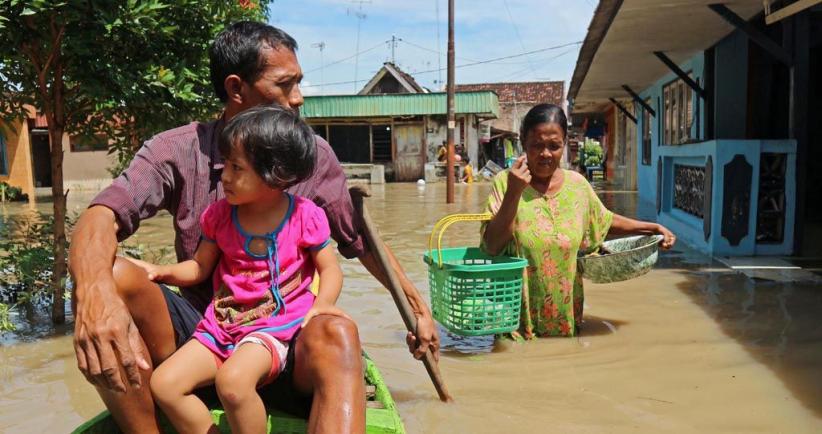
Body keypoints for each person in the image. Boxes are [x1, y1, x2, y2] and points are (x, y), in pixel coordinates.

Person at [68, 21, 437, 434]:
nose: (297, 99)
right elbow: (101, 215)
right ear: (236, 88)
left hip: (283, 336)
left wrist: (418, 312)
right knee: (113, 276)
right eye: (284, 85)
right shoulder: (176, 150)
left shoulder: (311, 155)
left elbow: (359, 242)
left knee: (338, 331)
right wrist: (94, 294)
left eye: (299, 83)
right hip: (208, 331)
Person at [133, 106, 349, 433]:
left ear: (276, 175)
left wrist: (322, 305)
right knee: (165, 385)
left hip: (273, 326)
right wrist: (160, 272)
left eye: (237, 168)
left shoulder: (304, 216)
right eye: (225, 165)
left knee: (232, 384)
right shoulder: (220, 216)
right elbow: (199, 268)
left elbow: (330, 269)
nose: (226, 177)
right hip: (221, 324)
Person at [481, 104, 676, 339]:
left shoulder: (577, 185)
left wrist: (651, 227)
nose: (545, 154)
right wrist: (514, 192)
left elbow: (603, 221)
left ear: (564, 145)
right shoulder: (505, 183)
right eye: (537, 145)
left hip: (566, 322)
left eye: (554, 146)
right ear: (523, 143)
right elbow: (492, 246)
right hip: (515, 326)